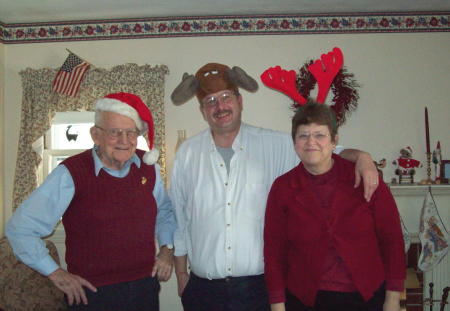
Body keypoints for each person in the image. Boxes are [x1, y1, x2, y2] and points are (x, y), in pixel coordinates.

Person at [169, 63, 380, 311]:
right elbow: (180, 218)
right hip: (203, 291)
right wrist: (181, 273)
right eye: (211, 101)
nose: (220, 106)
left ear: (240, 101)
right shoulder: (187, 153)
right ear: (203, 111)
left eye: (226, 97)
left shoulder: (273, 144)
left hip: (259, 290)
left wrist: (363, 157)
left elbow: (323, 151)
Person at [6, 92, 176, 311]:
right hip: (92, 294)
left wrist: (166, 249)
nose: (124, 141)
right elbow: (21, 229)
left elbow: (165, 211)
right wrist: (55, 272)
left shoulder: (148, 168)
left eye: (131, 132)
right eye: (115, 132)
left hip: (144, 288)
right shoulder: (71, 173)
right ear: (96, 134)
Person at [264, 102, 406, 311]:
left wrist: (392, 300)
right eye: (303, 135)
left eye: (319, 135)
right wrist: (277, 305)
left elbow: (392, 240)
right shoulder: (283, 188)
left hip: (366, 298)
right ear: (294, 142)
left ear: (334, 141)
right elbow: (274, 252)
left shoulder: (365, 179)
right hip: (305, 300)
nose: (311, 142)